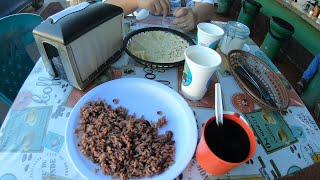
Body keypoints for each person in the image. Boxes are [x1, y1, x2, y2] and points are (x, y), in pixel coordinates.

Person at [106, 0, 216, 31]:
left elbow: (209, 7)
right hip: (135, 37)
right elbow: (106, 8)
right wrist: (136, 2)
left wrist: (195, 15)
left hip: (181, 36)